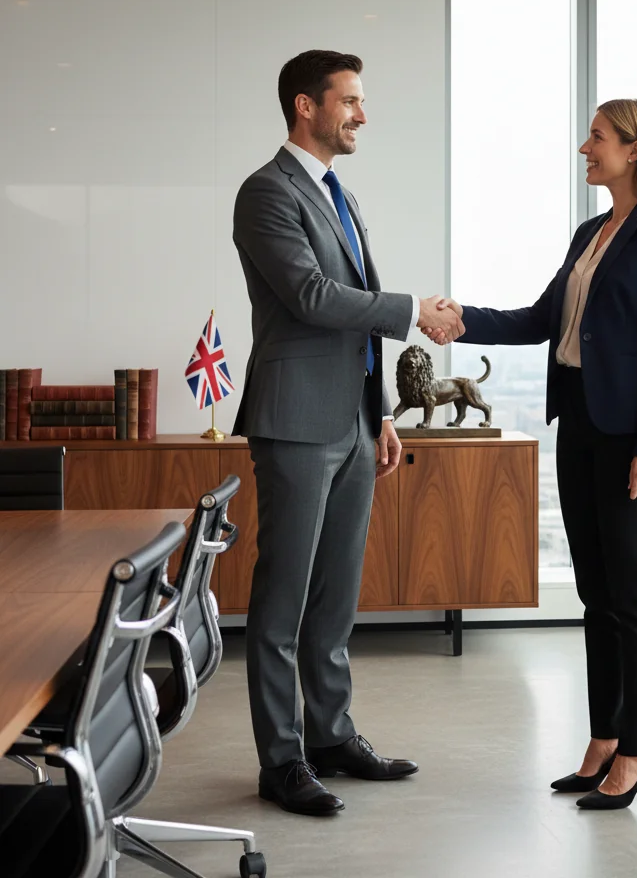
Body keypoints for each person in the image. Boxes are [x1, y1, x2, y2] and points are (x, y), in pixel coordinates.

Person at [428, 99, 637, 811]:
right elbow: (543, 319)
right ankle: (605, 737)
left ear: (634, 149)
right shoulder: (590, 233)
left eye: (597, 137)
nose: (585, 148)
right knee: (596, 596)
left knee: (634, 595)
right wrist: (462, 321)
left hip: (630, 438)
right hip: (577, 424)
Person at [232, 49, 462, 816]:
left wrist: (384, 413)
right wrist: (412, 312)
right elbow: (309, 295)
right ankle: (282, 761)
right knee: (283, 601)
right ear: (307, 106)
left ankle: (331, 737)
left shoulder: (342, 196)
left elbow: (352, 308)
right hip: (296, 421)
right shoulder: (267, 192)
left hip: (355, 423)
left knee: (334, 600)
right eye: (350, 100)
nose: (363, 114)